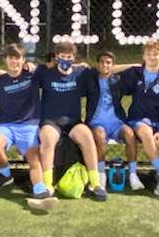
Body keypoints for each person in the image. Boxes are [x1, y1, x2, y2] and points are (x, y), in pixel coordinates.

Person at [0, 43, 57, 211]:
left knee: (33, 157)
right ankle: (5, 175)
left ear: (23, 60)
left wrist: (80, 65)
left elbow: (54, 66)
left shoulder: (33, 75)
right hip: (7, 125)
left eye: (17, 58)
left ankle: (40, 191)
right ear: (5, 60)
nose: (14, 62)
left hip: (29, 125)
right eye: (10, 58)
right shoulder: (0, 80)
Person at [34, 39, 105, 201]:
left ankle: (95, 183)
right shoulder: (44, 72)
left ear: (74, 57)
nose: (66, 60)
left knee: (87, 136)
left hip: (73, 122)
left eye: (69, 56)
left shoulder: (81, 72)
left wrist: (137, 66)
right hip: (51, 122)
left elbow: (107, 69)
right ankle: (47, 184)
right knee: (47, 139)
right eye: (62, 56)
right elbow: (21, 72)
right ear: (56, 57)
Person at [121, 39, 159, 203]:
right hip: (139, 119)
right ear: (144, 56)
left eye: (155, 54)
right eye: (148, 54)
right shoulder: (135, 73)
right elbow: (109, 70)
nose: (152, 57)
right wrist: (133, 64)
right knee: (146, 134)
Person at [83, 51, 140, 190]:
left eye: (108, 62)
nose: (105, 65)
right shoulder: (91, 78)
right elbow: (85, 67)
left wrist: (134, 64)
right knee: (99, 135)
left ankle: (133, 174)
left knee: (129, 133)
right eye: (102, 62)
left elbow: (137, 71)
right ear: (97, 64)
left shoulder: (118, 80)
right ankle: (101, 174)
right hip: (97, 123)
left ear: (114, 65)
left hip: (116, 123)